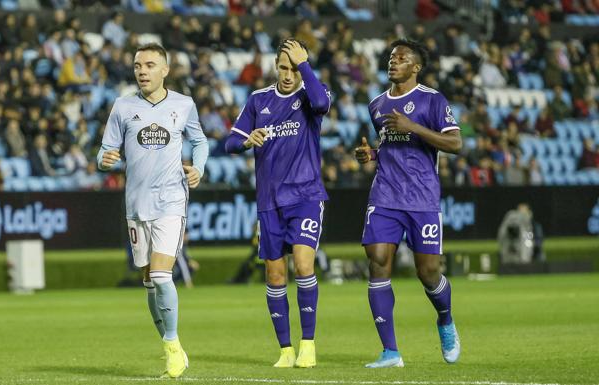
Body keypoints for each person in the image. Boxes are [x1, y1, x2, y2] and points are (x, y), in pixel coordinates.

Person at [97, 43, 208, 379]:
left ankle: (173, 347)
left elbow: (200, 141)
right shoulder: (122, 106)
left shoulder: (183, 104)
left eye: (148, 65)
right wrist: (104, 161)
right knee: (148, 281)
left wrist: (198, 168)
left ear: (165, 70)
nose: (141, 71)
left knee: (161, 276)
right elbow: (105, 151)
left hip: (171, 200)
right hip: (136, 204)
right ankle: (168, 343)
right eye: (136, 66)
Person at [354, 39, 462, 368]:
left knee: (428, 272)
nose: (393, 62)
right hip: (385, 195)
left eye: (401, 59)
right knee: (378, 261)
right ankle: (390, 352)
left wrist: (413, 126)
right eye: (390, 58)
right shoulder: (376, 105)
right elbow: (387, 143)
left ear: (415, 67)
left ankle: (445, 319)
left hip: (422, 198)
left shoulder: (432, 100)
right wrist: (371, 154)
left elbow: (455, 142)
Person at [225, 39, 331, 368]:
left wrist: (305, 66)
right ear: (275, 66)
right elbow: (229, 142)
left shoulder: (311, 92)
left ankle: (308, 344)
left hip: (305, 196)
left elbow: (322, 104)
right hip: (269, 202)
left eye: (293, 68)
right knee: (274, 276)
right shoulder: (259, 100)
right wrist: (246, 141)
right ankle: (285, 350)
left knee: (303, 265)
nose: (287, 75)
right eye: (283, 68)